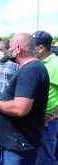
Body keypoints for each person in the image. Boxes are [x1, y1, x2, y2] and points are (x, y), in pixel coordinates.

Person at [0, 33, 50, 164]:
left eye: (10, 47)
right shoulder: (29, 68)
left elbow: (21, 108)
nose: (9, 50)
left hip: (19, 143)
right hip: (14, 142)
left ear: (19, 49)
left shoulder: (30, 71)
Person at [33, 31, 58, 164]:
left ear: (41, 48)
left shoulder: (55, 64)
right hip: (34, 118)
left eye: (32, 46)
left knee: (45, 158)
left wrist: (53, 114)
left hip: (47, 120)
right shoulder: (36, 63)